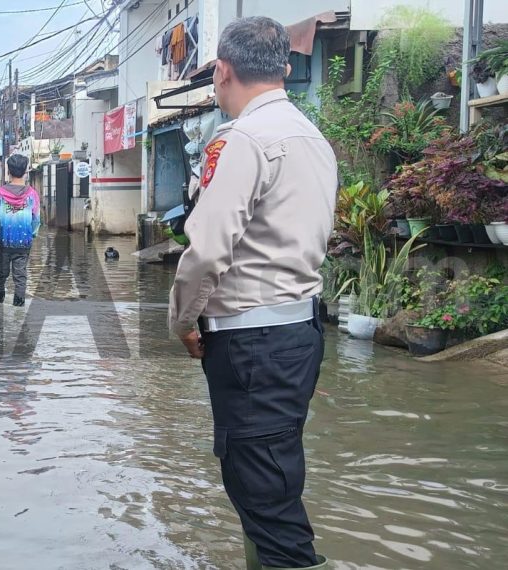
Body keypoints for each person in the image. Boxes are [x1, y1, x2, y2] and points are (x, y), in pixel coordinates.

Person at [168, 17, 336, 570]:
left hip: (252, 343)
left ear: (222, 70)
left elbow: (208, 249)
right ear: (286, 69)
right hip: (298, 333)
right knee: (270, 480)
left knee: (264, 494)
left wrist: (183, 320)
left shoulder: (242, 140)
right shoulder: (314, 139)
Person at [0, 154, 40, 307]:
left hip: (4, 241)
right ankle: (19, 310)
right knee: (20, 277)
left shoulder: (0, 193)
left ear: (9, 172)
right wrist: (31, 234)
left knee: (0, 275)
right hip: (23, 242)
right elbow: (36, 219)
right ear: (26, 172)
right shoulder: (32, 194)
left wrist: (2, 231)